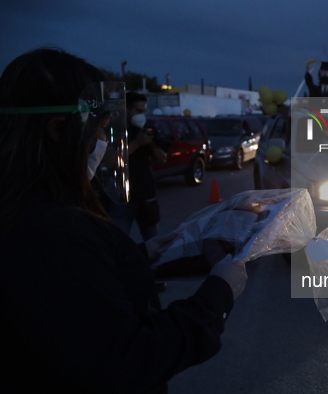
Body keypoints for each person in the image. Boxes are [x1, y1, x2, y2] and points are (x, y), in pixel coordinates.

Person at [0, 48, 247, 393]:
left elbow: (72, 305)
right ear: (58, 129)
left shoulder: (29, 213)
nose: (104, 142)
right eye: (101, 130)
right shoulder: (57, 232)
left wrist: (137, 255)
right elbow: (128, 360)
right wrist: (218, 296)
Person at [109, 91, 166, 241]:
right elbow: (113, 160)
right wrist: (137, 143)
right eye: (137, 111)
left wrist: (152, 144)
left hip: (146, 194)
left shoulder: (146, 128)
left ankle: (152, 265)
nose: (141, 115)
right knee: (119, 241)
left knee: (153, 240)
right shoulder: (115, 129)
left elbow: (161, 160)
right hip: (122, 195)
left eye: (144, 111)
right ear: (126, 110)